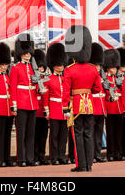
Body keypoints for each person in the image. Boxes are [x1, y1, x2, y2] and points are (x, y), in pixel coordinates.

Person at [63, 25, 101, 172]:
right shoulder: (92, 68)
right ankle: (89, 165)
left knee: (77, 134)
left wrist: (65, 107)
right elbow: (97, 88)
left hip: (76, 105)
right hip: (89, 104)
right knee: (89, 134)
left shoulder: (70, 69)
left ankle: (81, 164)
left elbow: (66, 91)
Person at [10, 34, 40, 167]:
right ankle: (21, 159)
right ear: (21, 54)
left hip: (33, 103)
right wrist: (14, 105)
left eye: (29, 53)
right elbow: (13, 88)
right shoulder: (16, 68)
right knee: (21, 133)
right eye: (25, 53)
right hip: (21, 103)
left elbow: (36, 84)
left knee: (31, 133)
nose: (28, 55)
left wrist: (39, 89)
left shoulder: (33, 68)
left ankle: (30, 158)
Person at [44, 42, 69, 165]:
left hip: (65, 110)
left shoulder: (66, 79)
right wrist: (47, 110)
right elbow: (46, 97)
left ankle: (61, 156)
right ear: (53, 66)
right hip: (54, 109)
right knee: (54, 135)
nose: (61, 67)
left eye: (62, 64)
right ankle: (54, 157)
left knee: (64, 136)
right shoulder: (48, 80)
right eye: (58, 65)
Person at [0, 42, 15, 167]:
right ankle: (0, 159)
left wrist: (13, 108)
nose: (4, 67)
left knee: (7, 135)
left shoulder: (8, 77)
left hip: (8, 110)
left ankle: (7, 158)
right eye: (2, 65)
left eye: (5, 64)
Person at [103, 49, 125, 161]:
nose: (114, 69)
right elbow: (104, 94)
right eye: (112, 67)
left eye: (115, 67)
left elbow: (124, 94)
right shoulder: (105, 79)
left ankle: (118, 153)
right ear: (107, 67)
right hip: (110, 108)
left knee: (119, 133)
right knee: (110, 133)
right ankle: (110, 154)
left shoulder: (119, 78)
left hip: (120, 108)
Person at [89, 43, 107, 163]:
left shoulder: (102, 77)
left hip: (101, 108)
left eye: (99, 66)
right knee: (91, 133)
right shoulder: (89, 76)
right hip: (92, 107)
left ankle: (97, 154)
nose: (98, 68)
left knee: (99, 133)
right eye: (96, 65)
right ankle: (91, 154)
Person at [33, 49, 50, 166]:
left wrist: (47, 109)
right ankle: (34, 156)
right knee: (35, 135)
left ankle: (42, 156)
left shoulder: (46, 79)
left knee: (43, 135)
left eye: (42, 67)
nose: (41, 69)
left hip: (43, 112)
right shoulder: (32, 79)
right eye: (39, 67)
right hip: (35, 110)